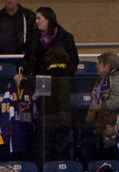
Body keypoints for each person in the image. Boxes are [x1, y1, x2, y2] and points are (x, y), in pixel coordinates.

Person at [20, 6, 77, 156]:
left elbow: (74, 61)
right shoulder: (33, 37)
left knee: (57, 138)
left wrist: (63, 75)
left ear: (48, 19)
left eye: (39, 18)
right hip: (41, 83)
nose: (36, 21)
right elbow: (28, 59)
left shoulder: (66, 37)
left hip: (59, 85)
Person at [90, 51, 119, 120]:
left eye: (99, 64)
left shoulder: (118, 78)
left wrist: (103, 106)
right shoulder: (103, 79)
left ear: (107, 66)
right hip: (106, 117)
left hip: (116, 118)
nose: (96, 66)